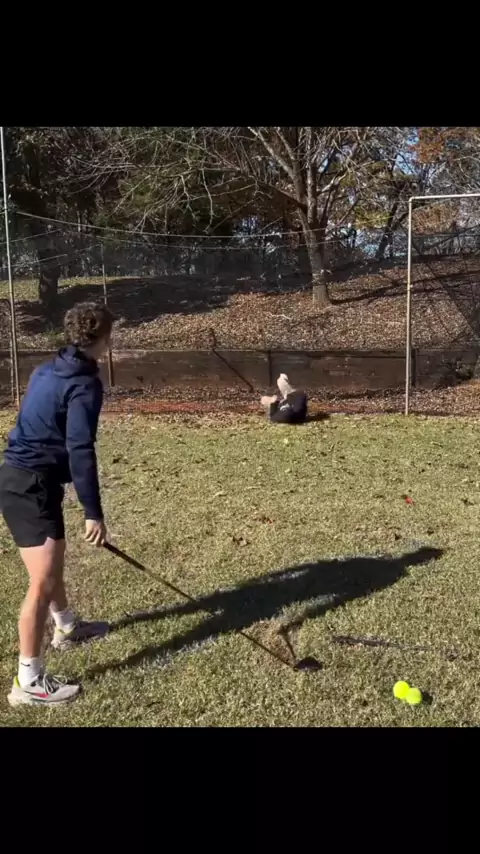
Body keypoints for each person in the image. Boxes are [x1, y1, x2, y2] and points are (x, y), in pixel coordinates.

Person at [0, 302, 114, 707]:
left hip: (31, 480)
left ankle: (66, 626)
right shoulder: (84, 385)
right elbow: (80, 448)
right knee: (42, 582)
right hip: (27, 485)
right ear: (104, 339)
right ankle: (28, 681)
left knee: (52, 562)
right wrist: (93, 512)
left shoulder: (46, 369)